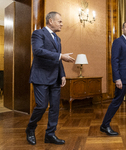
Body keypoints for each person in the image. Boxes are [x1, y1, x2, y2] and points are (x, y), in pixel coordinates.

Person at [26, 11, 75, 145]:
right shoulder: (38, 34)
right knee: (41, 106)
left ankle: (50, 134)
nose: (62, 24)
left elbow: (58, 58)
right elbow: (38, 51)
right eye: (60, 21)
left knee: (54, 107)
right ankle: (30, 128)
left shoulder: (57, 39)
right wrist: (60, 56)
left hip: (55, 77)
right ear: (50, 21)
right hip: (41, 76)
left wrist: (62, 74)